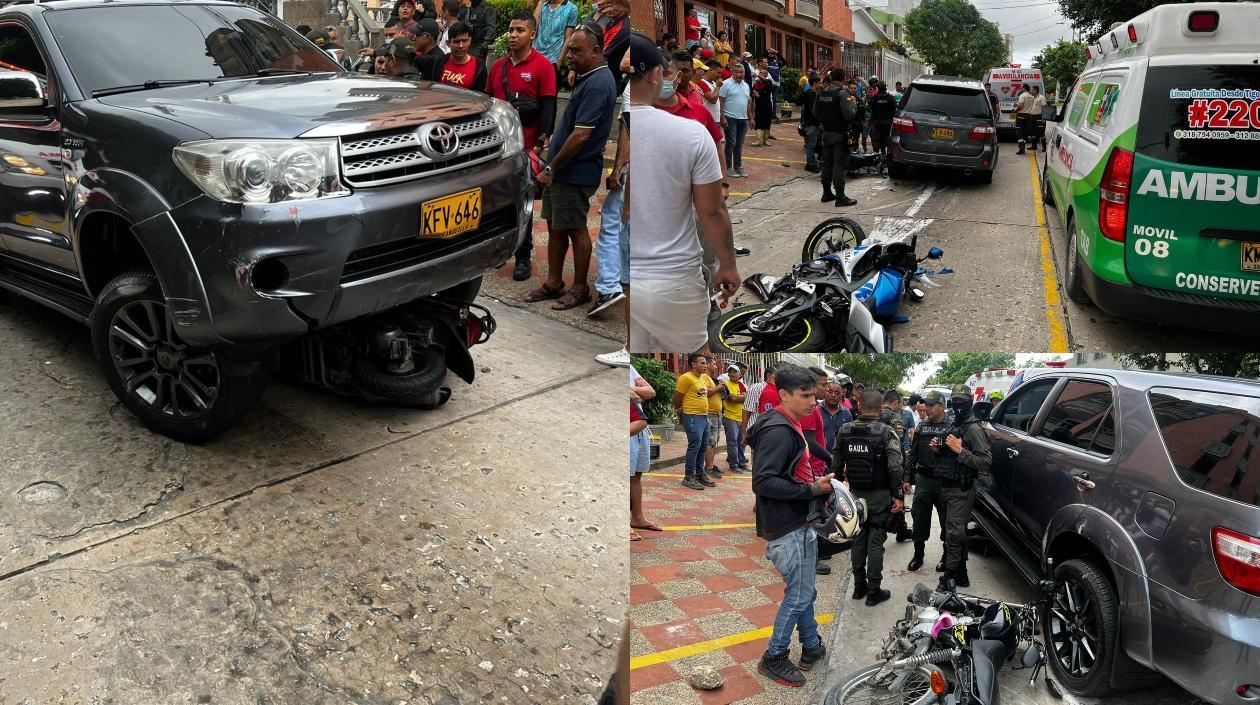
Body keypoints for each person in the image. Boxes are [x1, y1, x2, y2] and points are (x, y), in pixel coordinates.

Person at [625, 33, 739, 352]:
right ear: (655, 74)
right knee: (696, 357)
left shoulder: (625, 125)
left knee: (639, 357)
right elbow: (712, 211)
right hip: (673, 277)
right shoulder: (689, 134)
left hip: (630, 277)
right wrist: (728, 265)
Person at [747, 364, 834, 688]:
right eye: (806, 395)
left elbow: (789, 473)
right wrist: (811, 490)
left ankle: (811, 647)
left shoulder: (788, 423)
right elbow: (763, 482)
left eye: (814, 394)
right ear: (784, 395)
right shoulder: (779, 430)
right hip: (787, 528)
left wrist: (815, 483)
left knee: (804, 592)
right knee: (798, 596)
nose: (814, 401)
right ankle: (775, 656)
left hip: (797, 522)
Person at [525, 25, 615, 312]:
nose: (570, 55)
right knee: (555, 226)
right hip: (562, 169)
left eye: (577, 50)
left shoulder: (599, 82)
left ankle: (579, 287)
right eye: (570, 49)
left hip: (574, 171)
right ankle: (553, 282)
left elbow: (582, 135)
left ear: (597, 50)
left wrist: (551, 168)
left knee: (575, 228)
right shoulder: (588, 77)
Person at [835, 389, 904, 606]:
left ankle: (858, 588)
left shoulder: (844, 430)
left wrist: (838, 492)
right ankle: (874, 591)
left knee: (858, 541)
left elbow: (836, 463)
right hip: (879, 495)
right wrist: (898, 495)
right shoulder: (886, 431)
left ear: (859, 406)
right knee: (876, 543)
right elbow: (895, 466)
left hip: (854, 495)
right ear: (881, 408)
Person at [935, 394, 992, 590]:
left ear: (969, 402)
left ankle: (949, 578)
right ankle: (962, 574)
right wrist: (939, 448)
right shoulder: (955, 422)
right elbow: (949, 450)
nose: (958, 405)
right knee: (956, 532)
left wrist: (960, 451)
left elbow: (985, 462)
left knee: (953, 533)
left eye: (962, 401)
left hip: (961, 487)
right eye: (955, 401)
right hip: (948, 485)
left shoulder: (974, 428)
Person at [814, 67, 857, 207]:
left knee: (827, 163)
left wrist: (825, 121)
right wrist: (854, 105)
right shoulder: (842, 94)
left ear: (831, 78)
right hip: (840, 134)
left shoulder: (821, 93)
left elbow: (815, 113)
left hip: (826, 134)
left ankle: (826, 193)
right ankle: (840, 196)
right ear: (843, 78)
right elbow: (849, 115)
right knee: (840, 164)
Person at [675, 353, 717, 490]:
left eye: (706, 363)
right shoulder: (686, 378)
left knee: (703, 446)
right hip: (692, 416)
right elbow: (677, 396)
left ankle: (700, 474)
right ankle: (688, 477)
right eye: (702, 363)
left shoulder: (702, 379)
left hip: (704, 416)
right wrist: (679, 410)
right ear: (693, 364)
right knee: (695, 445)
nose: (705, 365)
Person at [630, 365, 661, 541]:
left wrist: (631, 391)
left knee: (636, 474)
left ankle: (637, 517)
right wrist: (634, 394)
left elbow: (650, 392)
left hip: (640, 426)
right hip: (628, 424)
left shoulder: (629, 367)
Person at [718, 62, 752, 177]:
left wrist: (751, 118)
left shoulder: (746, 85)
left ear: (744, 73)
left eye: (741, 72)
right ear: (732, 72)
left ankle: (738, 167)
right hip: (730, 117)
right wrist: (722, 117)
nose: (739, 74)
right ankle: (727, 168)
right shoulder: (726, 84)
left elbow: (748, 103)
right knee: (731, 143)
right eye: (736, 72)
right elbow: (721, 101)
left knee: (739, 144)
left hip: (743, 119)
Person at [435, 22, 487, 91]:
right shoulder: (439, 62)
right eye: (456, 42)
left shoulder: (479, 67)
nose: (461, 46)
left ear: (469, 41)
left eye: (464, 41)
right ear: (448, 43)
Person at [721, 364, 749, 473]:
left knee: (742, 441)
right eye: (730, 372)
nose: (732, 374)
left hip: (741, 417)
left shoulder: (742, 385)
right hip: (730, 416)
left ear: (739, 374)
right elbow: (732, 398)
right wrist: (743, 397)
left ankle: (741, 463)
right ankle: (733, 464)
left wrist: (741, 398)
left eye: (735, 372)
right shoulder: (725, 385)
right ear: (728, 374)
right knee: (732, 442)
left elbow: (748, 399)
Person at [533, 0, 577, 68]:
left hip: (552, 61)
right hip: (535, 56)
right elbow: (532, 29)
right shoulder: (543, 6)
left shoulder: (571, 8)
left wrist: (559, 61)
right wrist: (540, 2)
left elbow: (568, 37)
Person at [818, 379, 852, 451]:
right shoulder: (816, 410)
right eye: (830, 392)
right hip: (819, 458)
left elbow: (849, 437)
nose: (833, 395)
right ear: (825, 392)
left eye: (837, 393)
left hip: (839, 457)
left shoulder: (847, 413)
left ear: (841, 395)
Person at [749, 63, 775, 148]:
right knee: (759, 122)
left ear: (766, 75)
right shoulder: (755, 85)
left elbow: (764, 80)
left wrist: (756, 74)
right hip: (759, 106)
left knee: (767, 122)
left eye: (764, 73)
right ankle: (759, 140)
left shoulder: (768, 82)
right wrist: (754, 96)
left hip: (767, 106)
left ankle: (765, 139)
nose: (762, 74)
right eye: (761, 73)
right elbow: (752, 97)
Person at [800, 71, 821, 172]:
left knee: (811, 144)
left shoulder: (808, 92)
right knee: (811, 144)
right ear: (815, 83)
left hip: (809, 122)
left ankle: (811, 163)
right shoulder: (811, 93)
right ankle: (811, 164)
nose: (820, 84)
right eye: (819, 82)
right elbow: (814, 110)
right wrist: (818, 121)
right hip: (811, 123)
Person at [868, 80, 896, 156]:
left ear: (878, 88)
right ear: (885, 88)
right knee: (887, 139)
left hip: (877, 123)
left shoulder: (875, 98)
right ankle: (887, 155)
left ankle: (877, 154)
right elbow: (894, 109)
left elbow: (871, 108)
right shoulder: (890, 98)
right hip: (887, 123)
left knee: (877, 139)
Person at [1015, 84, 1035, 154]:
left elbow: (1021, 105)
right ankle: (1023, 149)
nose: (1020, 89)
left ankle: (1021, 149)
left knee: (1019, 132)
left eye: (1021, 88)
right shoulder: (1031, 97)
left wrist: (1016, 110)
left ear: (1024, 88)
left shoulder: (1022, 95)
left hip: (1021, 115)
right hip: (1028, 116)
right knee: (1024, 133)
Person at [766, 49, 782, 126]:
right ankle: (767, 113)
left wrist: (777, 53)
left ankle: (773, 114)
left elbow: (785, 62)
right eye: (770, 54)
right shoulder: (766, 62)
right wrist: (768, 52)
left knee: (774, 99)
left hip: (776, 84)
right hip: (768, 83)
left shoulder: (778, 63)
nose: (772, 55)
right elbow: (762, 57)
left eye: (773, 54)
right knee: (767, 98)